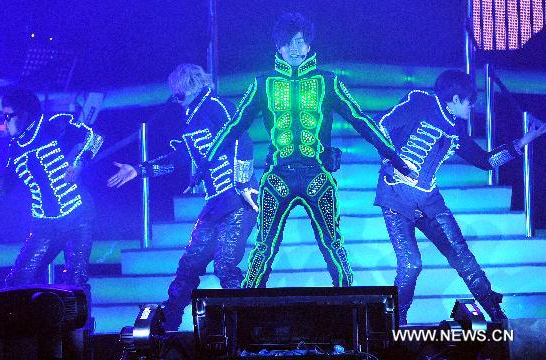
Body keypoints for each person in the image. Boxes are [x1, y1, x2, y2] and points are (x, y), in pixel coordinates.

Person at [205, 12, 413, 288]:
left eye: (300, 42)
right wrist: (206, 163)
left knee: (333, 245)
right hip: (278, 176)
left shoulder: (327, 81)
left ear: (308, 46)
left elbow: (360, 119)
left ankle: (349, 306)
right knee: (263, 248)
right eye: (288, 43)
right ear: (278, 47)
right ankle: (247, 311)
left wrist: (393, 155)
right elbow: (233, 126)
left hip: (317, 174)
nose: (294, 48)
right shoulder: (263, 83)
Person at [374, 69, 546, 324]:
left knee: (463, 258)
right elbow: (380, 124)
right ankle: (396, 324)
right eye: (469, 101)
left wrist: (524, 140)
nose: (472, 106)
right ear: (454, 99)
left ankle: (497, 315)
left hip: (430, 200)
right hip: (396, 196)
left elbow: (485, 161)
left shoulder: (456, 130)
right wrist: (392, 159)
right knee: (411, 265)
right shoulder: (420, 101)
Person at [107, 63, 258, 331]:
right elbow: (179, 157)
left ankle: (247, 328)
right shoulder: (192, 117)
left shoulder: (215, 105)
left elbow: (242, 139)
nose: (175, 97)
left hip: (236, 199)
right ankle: (168, 324)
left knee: (225, 266)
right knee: (189, 266)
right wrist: (139, 170)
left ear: (186, 86)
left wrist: (244, 182)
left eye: (177, 91)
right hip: (215, 203)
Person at [0, 88, 102, 311]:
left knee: (75, 281)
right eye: (4, 116)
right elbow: (0, 192)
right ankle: (27, 336)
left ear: (26, 113)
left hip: (77, 216)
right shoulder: (15, 150)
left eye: (9, 116)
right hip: (44, 225)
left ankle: (80, 337)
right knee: (17, 282)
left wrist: (79, 163)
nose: (5, 122)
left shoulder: (52, 126)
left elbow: (95, 138)